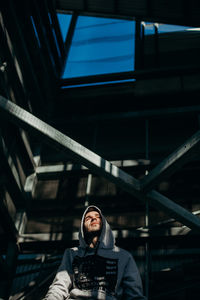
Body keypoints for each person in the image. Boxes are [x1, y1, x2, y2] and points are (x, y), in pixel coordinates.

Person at [43, 205, 146, 299]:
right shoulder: (72, 253)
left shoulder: (123, 256)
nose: (93, 218)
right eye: (88, 218)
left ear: (104, 223)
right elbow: (59, 286)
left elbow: (134, 295)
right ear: (82, 227)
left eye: (98, 216)